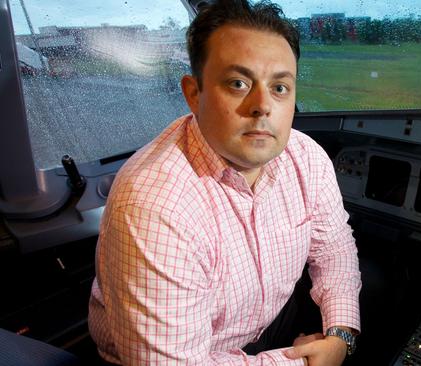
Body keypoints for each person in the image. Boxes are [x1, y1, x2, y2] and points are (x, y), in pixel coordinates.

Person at [87, 0, 361, 364]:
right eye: (238, 83)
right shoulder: (154, 206)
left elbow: (333, 249)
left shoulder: (306, 157)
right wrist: (302, 361)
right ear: (194, 93)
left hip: (265, 329)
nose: (263, 105)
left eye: (280, 87)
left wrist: (340, 333)